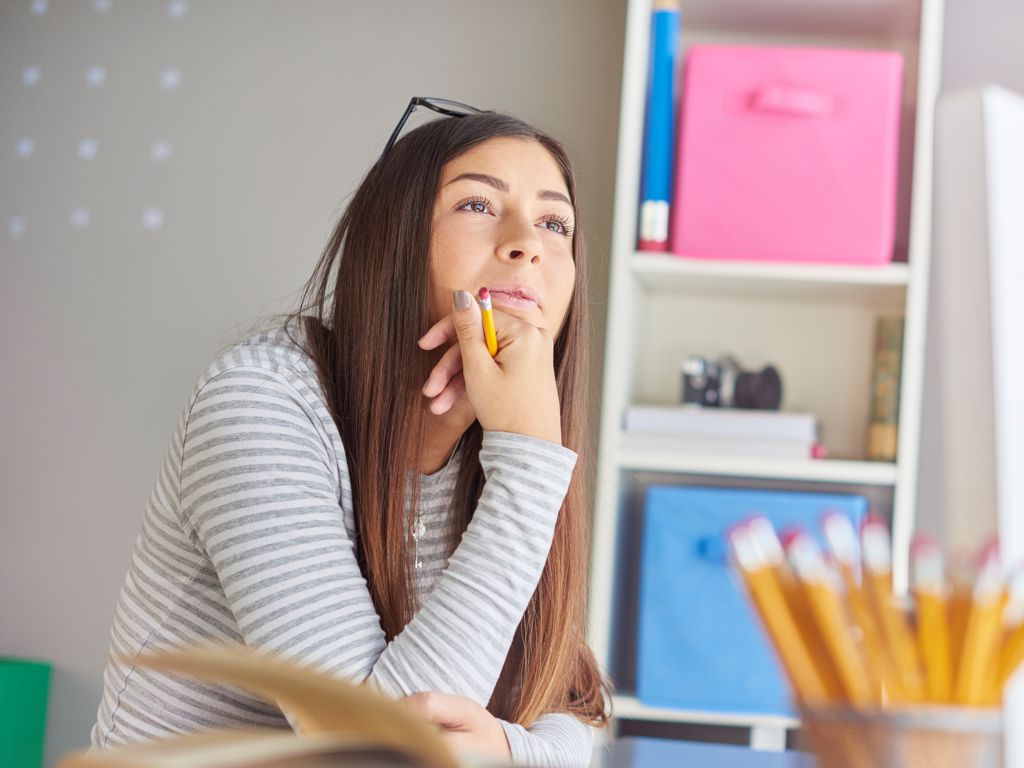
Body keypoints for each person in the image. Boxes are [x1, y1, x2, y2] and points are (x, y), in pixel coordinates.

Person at [90, 99, 611, 767]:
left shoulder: (505, 438)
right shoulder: (262, 399)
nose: (527, 242)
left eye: (554, 221)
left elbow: (569, 703)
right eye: (478, 205)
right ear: (393, 239)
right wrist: (534, 464)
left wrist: (509, 753)